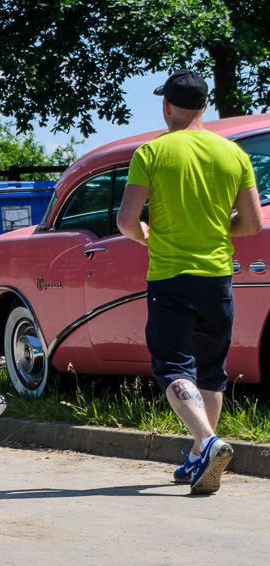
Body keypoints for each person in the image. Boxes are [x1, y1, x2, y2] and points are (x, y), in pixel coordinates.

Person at [116, 69, 262, 494]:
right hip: (218, 277)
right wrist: (215, 227)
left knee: (172, 366)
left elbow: (126, 221)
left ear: (167, 107)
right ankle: (201, 456)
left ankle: (209, 440)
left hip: (170, 276)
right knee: (211, 370)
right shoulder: (233, 154)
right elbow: (252, 223)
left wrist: (146, 235)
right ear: (204, 107)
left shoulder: (153, 152)